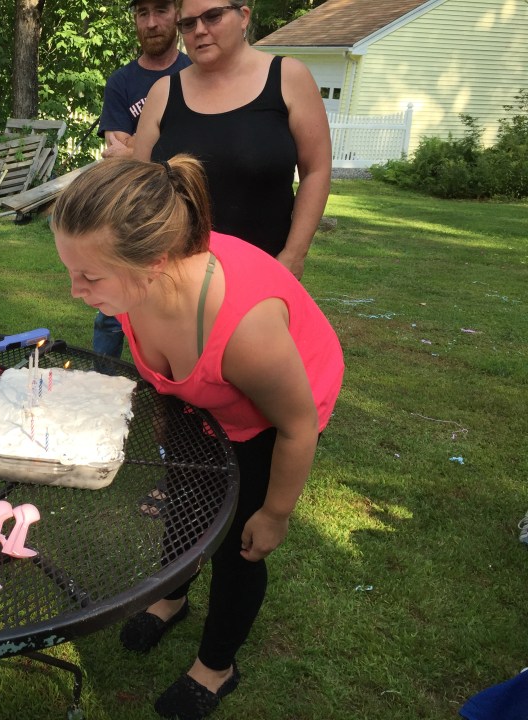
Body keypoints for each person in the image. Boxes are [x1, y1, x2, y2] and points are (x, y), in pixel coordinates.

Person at [51, 155, 344, 720]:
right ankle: (173, 597)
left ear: (155, 262)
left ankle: (216, 667)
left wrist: (275, 514)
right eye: (70, 270)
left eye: (89, 277)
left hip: (269, 419)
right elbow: (159, 369)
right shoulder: (135, 285)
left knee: (238, 548)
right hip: (206, 395)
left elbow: (297, 426)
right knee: (185, 510)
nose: (74, 291)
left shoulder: (247, 332)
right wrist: (169, 418)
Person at [132, 0, 332, 280]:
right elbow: (139, 187)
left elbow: (316, 171)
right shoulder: (162, 93)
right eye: (188, 23)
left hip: (264, 274)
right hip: (175, 278)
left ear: (244, 17)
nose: (199, 30)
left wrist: (293, 256)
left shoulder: (288, 78)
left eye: (213, 16)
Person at [93, 0, 192, 361]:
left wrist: (140, 147)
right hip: (131, 211)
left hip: (184, 210)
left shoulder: (194, 72)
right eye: (142, 13)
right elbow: (116, 151)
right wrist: (165, 143)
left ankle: (164, 382)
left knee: (177, 306)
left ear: (177, 14)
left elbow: (197, 150)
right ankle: (100, 378)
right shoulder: (121, 82)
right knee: (111, 312)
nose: (151, 23)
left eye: (161, 10)